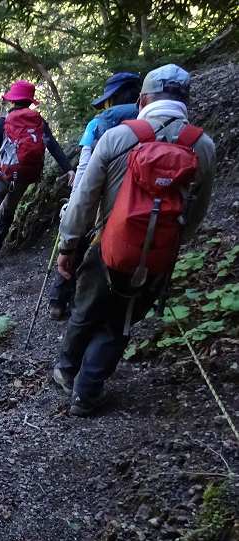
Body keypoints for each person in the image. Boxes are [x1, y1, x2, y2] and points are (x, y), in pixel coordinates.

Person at [51, 64, 216, 416]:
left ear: (143, 99)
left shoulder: (118, 136)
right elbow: (197, 212)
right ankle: (87, 392)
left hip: (105, 243)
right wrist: (166, 245)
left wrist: (68, 245)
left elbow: (83, 198)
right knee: (120, 321)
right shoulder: (202, 146)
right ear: (186, 101)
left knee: (85, 307)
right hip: (155, 253)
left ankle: (65, 370)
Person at [48, 72, 142, 320]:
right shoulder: (147, 121)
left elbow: (84, 165)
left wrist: (74, 198)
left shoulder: (98, 124)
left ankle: (58, 302)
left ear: (111, 99)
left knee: (74, 245)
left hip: (96, 197)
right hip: (131, 202)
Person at [0, 80, 74, 267]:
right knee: (9, 210)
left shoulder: (3, 121)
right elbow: (53, 146)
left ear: (12, 100)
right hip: (24, 176)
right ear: (30, 101)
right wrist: (69, 169)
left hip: (2, 174)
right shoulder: (39, 121)